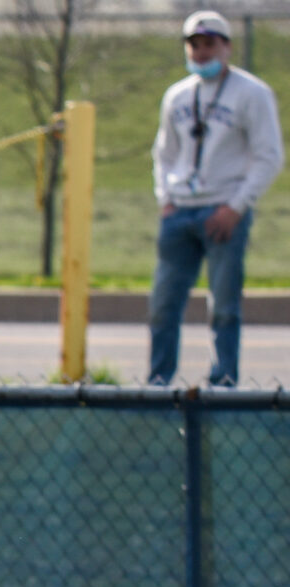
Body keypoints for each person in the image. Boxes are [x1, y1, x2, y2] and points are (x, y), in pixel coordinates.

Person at [148, 12, 282, 387]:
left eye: (210, 43)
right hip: (178, 212)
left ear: (227, 46)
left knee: (223, 306)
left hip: (223, 211)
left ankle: (223, 383)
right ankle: (158, 382)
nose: (202, 51)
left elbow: (269, 156)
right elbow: (164, 153)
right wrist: (165, 199)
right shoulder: (176, 95)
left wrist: (237, 206)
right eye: (195, 44)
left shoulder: (252, 93)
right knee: (163, 304)